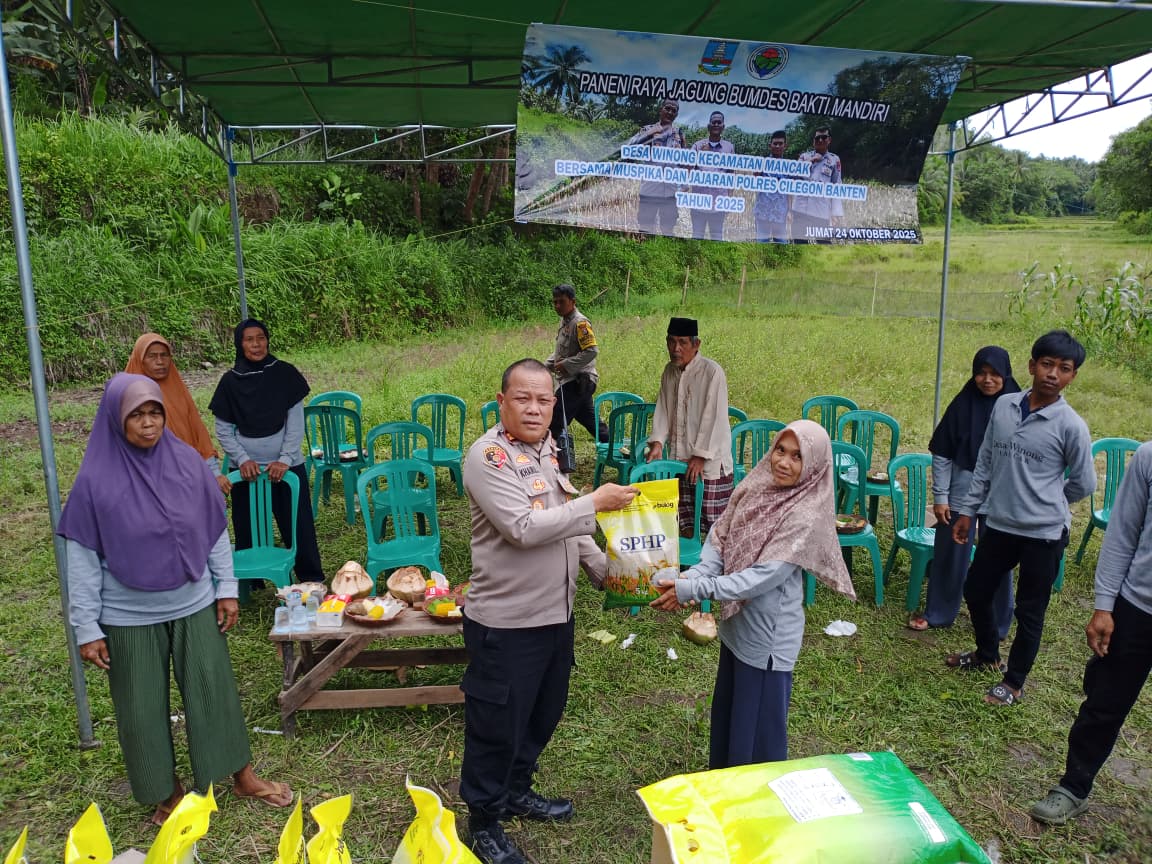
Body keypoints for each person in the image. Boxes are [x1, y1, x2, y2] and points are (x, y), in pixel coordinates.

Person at [59, 373, 292, 826]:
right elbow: (81, 560)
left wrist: (226, 590)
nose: (148, 424)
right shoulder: (94, 482)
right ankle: (167, 792)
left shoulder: (186, 462)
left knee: (214, 692)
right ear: (115, 420)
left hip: (193, 604)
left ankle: (240, 775)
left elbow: (214, 530)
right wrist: (86, 628)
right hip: (127, 617)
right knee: (140, 709)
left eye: (155, 413)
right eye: (136, 415)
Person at [460, 358, 637, 864]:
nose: (534, 409)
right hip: (507, 624)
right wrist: (595, 502)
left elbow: (566, 527)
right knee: (497, 725)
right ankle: (484, 821)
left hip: (556, 617)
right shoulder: (488, 457)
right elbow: (523, 528)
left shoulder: (547, 452)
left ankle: (516, 789)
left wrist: (611, 573)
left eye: (543, 400)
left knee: (542, 712)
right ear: (502, 402)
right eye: (523, 398)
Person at [650, 420, 854, 767]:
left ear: (814, 464)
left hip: (765, 644)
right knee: (729, 725)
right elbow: (721, 535)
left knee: (756, 745)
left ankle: (748, 801)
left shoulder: (804, 514)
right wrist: (695, 574)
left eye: (797, 456)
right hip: (737, 631)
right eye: (780, 450)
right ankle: (724, 790)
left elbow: (759, 579)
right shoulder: (758, 486)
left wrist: (693, 587)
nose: (783, 462)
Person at [946, 330, 1095, 706]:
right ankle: (986, 654)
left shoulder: (1071, 425)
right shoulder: (1004, 406)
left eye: (1064, 368)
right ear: (1032, 366)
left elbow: (1085, 482)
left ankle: (1013, 682)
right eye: (1047, 364)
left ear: (1072, 376)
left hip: (1043, 534)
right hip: (999, 524)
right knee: (976, 589)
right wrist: (968, 511)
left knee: (1030, 610)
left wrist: (1049, 501)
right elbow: (985, 461)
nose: (1053, 374)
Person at [1029, 440, 1152, 824]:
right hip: (1138, 605)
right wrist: (1104, 605)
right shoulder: (1148, 457)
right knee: (1104, 704)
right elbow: (1122, 534)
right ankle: (1074, 786)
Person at [908, 346, 1020, 634]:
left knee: (999, 558)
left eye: (995, 374)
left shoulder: (1018, 408)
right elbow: (942, 453)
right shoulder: (962, 405)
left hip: (1001, 496)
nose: (987, 380)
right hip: (962, 493)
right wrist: (941, 497)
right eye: (981, 373)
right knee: (950, 554)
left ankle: (998, 621)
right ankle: (938, 612)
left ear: (1006, 375)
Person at [209, 319, 324, 583]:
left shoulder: (285, 373)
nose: (256, 344)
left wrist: (284, 460)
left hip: (287, 465)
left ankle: (311, 579)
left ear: (267, 340)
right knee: (248, 525)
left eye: (261, 338)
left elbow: (296, 423)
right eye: (249, 339)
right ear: (240, 344)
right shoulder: (230, 382)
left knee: (298, 524)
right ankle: (253, 580)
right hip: (246, 470)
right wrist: (242, 459)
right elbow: (223, 429)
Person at [646, 317, 733, 540]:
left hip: (709, 460)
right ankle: (689, 560)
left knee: (715, 524)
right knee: (683, 516)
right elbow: (663, 408)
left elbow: (714, 417)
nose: (676, 348)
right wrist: (658, 442)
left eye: (683, 342)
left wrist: (701, 455)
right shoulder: (669, 371)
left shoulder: (712, 372)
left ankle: (718, 561)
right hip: (680, 456)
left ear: (696, 344)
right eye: (671, 341)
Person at [125, 332, 230, 495]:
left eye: (164, 355)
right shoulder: (127, 395)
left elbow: (197, 431)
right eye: (152, 356)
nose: (160, 361)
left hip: (186, 477)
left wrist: (214, 472)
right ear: (140, 359)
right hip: (146, 483)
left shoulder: (177, 390)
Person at [544, 284, 608, 449]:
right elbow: (562, 353)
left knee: (554, 423)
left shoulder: (580, 323)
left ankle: (546, 457)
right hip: (573, 383)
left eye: (562, 302)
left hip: (579, 381)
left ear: (573, 302)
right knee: (592, 423)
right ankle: (619, 448)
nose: (557, 306)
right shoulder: (564, 321)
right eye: (555, 302)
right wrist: (543, 366)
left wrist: (566, 365)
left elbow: (591, 351)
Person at [627, 98, 685, 236]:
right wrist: (648, 134)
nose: (670, 112)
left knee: (668, 229)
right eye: (667, 108)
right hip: (650, 189)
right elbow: (629, 147)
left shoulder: (679, 134)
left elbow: (683, 160)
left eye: (673, 110)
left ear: (676, 114)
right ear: (661, 110)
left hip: (670, 190)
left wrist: (684, 183)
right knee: (645, 228)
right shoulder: (648, 129)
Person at [790, 127, 843, 243]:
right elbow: (793, 174)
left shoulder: (834, 160)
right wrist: (812, 160)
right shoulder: (804, 157)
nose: (820, 140)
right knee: (799, 244)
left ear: (829, 140)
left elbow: (837, 187)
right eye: (817, 138)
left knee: (824, 244)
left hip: (821, 210)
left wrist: (836, 213)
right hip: (801, 209)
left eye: (824, 137)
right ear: (813, 141)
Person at [689, 111, 735, 240]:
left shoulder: (729, 148)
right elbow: (687, 168)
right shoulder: (698, 146)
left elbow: (731, 175)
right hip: (698, 204)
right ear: (708, 126)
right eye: (713, 122)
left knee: (717, 239)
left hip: (718, 204)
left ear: (723, 126)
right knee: (696, 238)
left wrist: (729, 200)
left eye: (719, 122)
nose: (716, 124)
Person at [753, 130, 790, 243]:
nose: (777, 146)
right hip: (763, 211)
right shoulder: (762, 163)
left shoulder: (790, 166)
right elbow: (755, 184)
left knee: (782, 245)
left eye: (780, 143)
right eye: (775, 143)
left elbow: (791, 190)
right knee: (761, 244)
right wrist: (756, 175)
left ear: (785, 146)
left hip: (780, 212)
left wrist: (790, 211)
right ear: (770, 145)